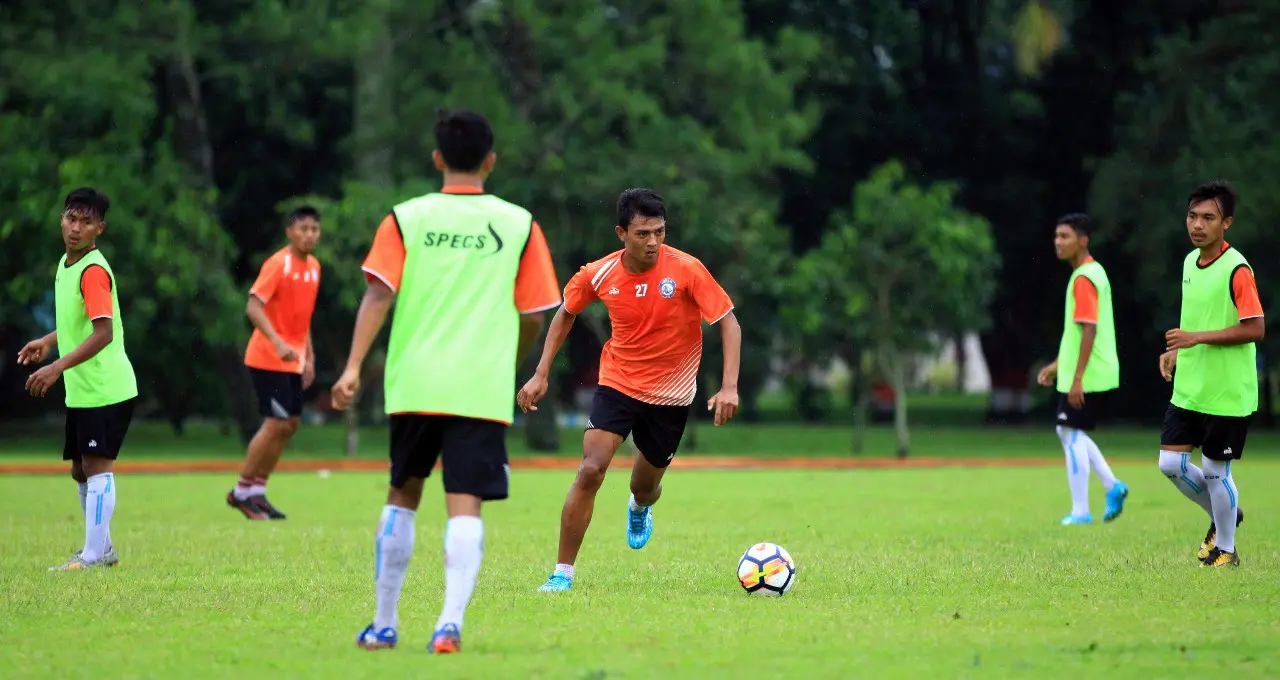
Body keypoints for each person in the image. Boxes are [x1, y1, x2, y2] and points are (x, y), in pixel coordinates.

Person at [332, 110, 561, 653]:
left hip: (414, 382)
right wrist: (510, 362)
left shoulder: (405, 218)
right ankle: (449, 623)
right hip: (478, 389)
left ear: (437, 159)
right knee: (465, 503)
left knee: (402, 494)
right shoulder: (519, 224)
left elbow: (378, 293)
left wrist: (350, 368)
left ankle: (384, 623)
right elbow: (533, 315)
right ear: (491, 161)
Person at [518, 188, 742, 593]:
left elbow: (728, 322)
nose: (653, 241)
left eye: (658, 232)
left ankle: (639, 507)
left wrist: (729, 387)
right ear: (621, 232)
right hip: (618, 383)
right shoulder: (598, 273)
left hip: (671, 397)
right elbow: (564, 314)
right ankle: (562, 573)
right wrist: (541, 373)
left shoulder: (687, 269)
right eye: (642, 233)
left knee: (644, 485)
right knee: (590, 470)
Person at [18, 187, 138, 570]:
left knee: (97, 466)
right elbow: (80, 322)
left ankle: (93, 556)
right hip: (84, 388)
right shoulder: (66, 263)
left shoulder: (93, 271)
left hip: (106, 387)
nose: (76, 228)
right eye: (72, 218)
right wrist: (49, 342)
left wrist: (55, 368)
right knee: (79, 467)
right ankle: (101, 549)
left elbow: (103, 332)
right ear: (62, 220)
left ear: (99, 229)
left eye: (87, 222)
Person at [1158, 181, 1260, 568]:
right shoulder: (1189, 262)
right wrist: (1175, 351)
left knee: (1217, 471)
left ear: (1226, 223)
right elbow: (1195, 321)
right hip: (1191, 387)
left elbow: (1255, 328)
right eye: (1192, 216)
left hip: (1227, 391)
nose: (1197, 225)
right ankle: (1225, 517)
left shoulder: (1237, 270)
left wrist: (1196, 338)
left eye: (1208, 217)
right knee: (1170, 464)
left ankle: (1227, 550)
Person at [226, 206, 322, 520]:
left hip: (293, 360)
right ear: (289, 232)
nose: (310, 234)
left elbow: (303, 317)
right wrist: (277, 342)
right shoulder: (278, 264)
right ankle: (241, 492)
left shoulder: (315, 268)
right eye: (303, 228)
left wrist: (308, 355)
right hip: (267, 358)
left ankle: (257, 491)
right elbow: (253, 307)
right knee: (275, 423)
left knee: (291, 424)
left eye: (314, 229)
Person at [1035, 213, 1129, 525]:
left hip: (1089, 375)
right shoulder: (1091, 273)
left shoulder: (1085, 278)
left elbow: (1089, 330)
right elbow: (1077, 336)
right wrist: (1056, 367)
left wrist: (1076, 379)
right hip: (1090, 371)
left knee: (1069, 432)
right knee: (1068, 431)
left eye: (1065, 236)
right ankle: (1112, 486)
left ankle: (1081, 510)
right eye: (1056, 236)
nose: (1058, 242)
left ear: (1083, 240)